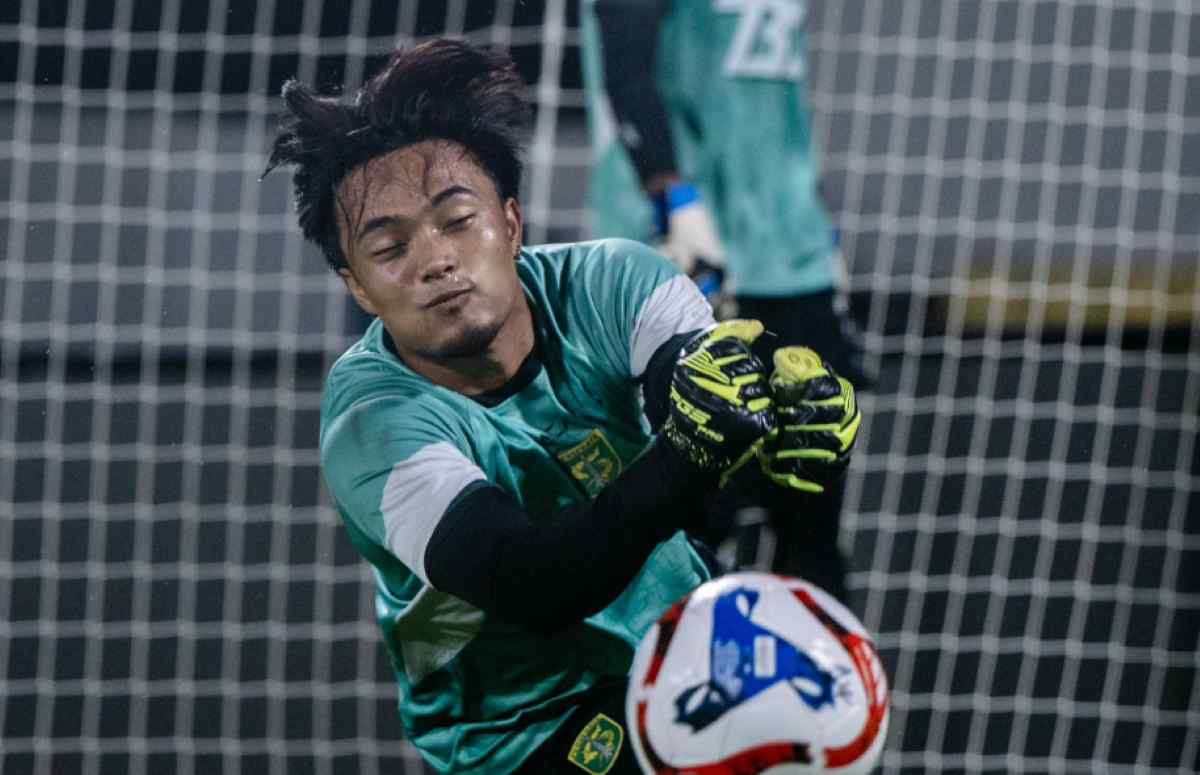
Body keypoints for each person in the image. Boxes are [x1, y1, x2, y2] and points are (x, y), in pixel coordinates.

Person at [265, 38, 860, 775]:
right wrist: (691, 450)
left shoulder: (615, 279)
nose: (435, 260)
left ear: (511, 224)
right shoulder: (371, 421)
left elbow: (691, 386)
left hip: (674, 653)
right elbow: (533, 583)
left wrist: (782, 402)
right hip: (518, 729)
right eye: (389, 248)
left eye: (458, 219)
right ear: (357, 287)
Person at [581, 0, 871, 604]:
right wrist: (672, 198)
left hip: (792, 258)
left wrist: (820, 228)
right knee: (689, 528)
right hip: (689, 257)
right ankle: (666, 690)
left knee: (812, 510)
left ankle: (821, 690)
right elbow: (625, 65)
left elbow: (776, 106)